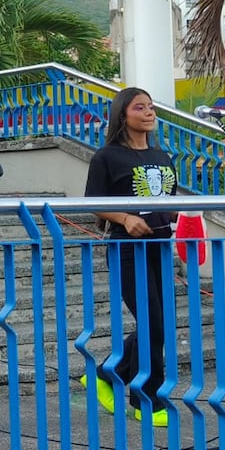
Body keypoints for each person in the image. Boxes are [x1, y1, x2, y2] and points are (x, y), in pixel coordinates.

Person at [82, 87, 178, 428]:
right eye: (141, 107)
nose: (149, 112)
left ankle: (107, 373)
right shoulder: (106, 156)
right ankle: (146, 401)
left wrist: (181, 220)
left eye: (152, 107)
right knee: (152, 321)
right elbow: (92, 202)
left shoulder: (163, 157)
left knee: (159, 323)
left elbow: (167, 202)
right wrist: (124, 218)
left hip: (160, 247)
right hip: (126, 249)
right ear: (123, 114)